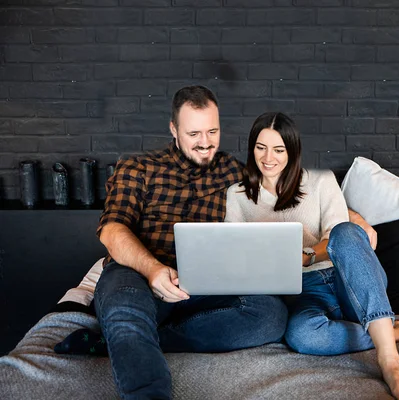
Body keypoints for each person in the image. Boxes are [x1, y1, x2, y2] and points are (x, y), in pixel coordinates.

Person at [56, 86, 290, 400]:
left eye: (212, 131)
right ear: (173, 130)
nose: (205, 143)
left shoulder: (235, 172)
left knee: (271, 315)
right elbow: (112, 230)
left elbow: (292, 196)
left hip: (204, 280)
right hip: (137, 274)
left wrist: (347, 216)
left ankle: (118, 341)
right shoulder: (137, 168)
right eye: (194, 133)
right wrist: (153, 269)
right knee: (124, 306)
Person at [225, 112, 399, 400]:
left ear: (293, 151)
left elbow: (337, 238)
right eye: (261, 148)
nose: (268, 157)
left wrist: (306, 256)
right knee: (301, 336)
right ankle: (395, 331)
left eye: (278, 149)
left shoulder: (320, 180)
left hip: (346, 276)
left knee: (347, 231)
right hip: (300, 291)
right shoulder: (237, 195)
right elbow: (233, 249)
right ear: (251, 148)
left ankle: (391, 363)